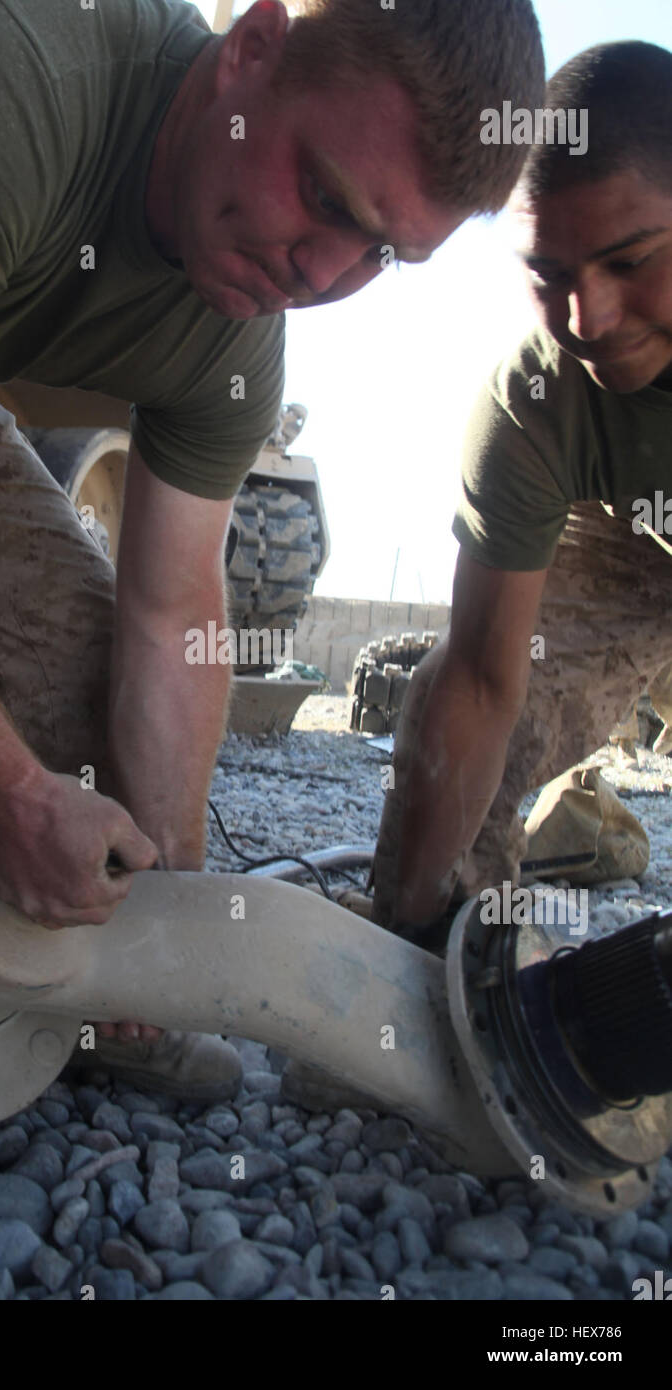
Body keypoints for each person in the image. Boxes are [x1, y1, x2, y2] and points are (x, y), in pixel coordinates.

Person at [0, 0, 543, 1101]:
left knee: (78, 734)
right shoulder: (6, 66)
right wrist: (4, 789)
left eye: (379, 252)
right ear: (250, 49)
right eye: (324, 196)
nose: (322, 274)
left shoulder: (238, 337)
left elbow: (170, 613)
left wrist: (164, 928)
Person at [368, 41, 672, 949]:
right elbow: (482, 679)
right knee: (462, 713)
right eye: (550, 276)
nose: (590, 320)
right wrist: (408, 933)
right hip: (635, 542)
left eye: (630, 261)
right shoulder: (535, 403)